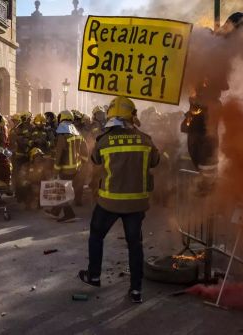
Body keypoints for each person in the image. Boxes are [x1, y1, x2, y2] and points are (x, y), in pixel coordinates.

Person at [78, 96, 160, 304]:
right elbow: (156, 161)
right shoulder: (145, 139)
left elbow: (95, 160)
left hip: (109, 202)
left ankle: (94, 276)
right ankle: (136, 290)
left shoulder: (104, 140)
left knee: (96, 236)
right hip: (136, 203)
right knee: (135, 244)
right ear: (131, 116)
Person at [45, 110, 88, 223]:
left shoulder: (62, 132)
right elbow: (85, 148)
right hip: (76, 168)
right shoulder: (76, 131)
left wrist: (56, 169)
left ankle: (69, 214)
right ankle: (55, 211)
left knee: (62, 191)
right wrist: (83, 162)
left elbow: (59, 153)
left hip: (65, 168)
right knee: (64, 189)